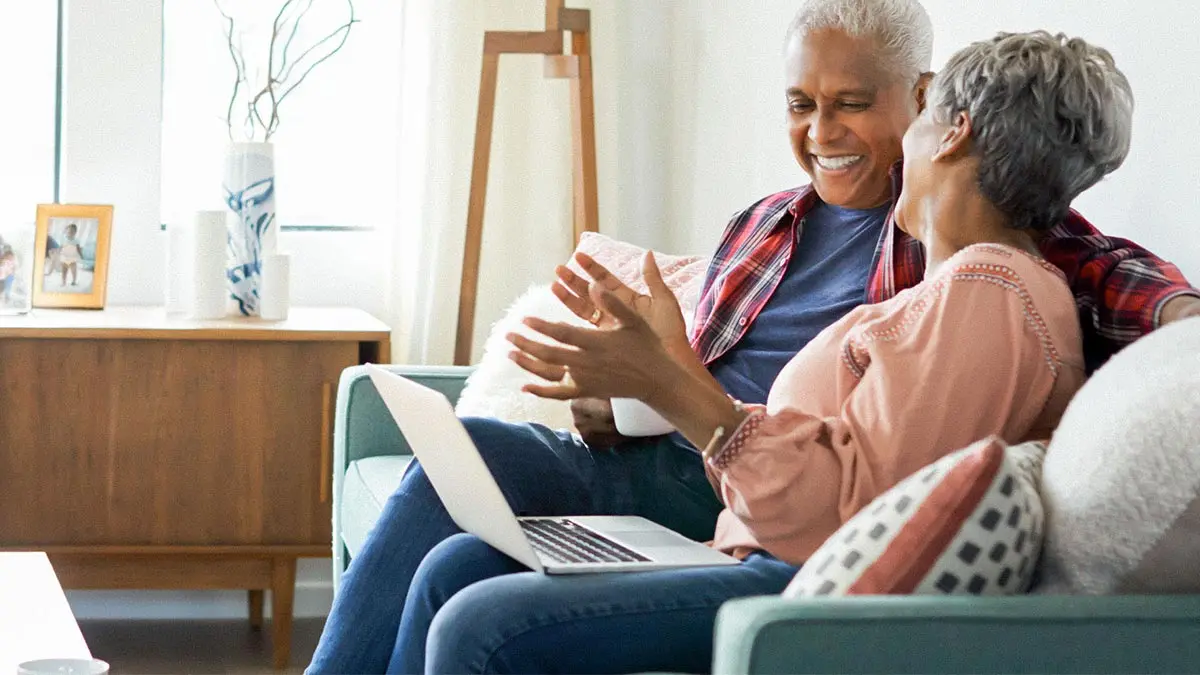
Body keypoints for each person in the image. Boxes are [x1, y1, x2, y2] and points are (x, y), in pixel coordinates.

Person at [307, 1, 1199, 672]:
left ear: (941, 117)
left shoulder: (986, 280)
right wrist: (628, 383)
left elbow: (1083, 256)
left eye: (854, 103)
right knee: (457, 517)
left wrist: (1178, 319)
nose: (822, 131)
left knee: (475, 615)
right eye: (800, 104)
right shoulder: (775, 225)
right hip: (714, 477)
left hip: (757, 511)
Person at [59, 223, 83, 287]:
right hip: (65, 257)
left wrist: (81, 254)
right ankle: (63, 282)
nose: (70, 233)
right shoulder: (63, 239)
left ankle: (74, 281)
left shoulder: (76, 240)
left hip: (72, 258)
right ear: (66, 232)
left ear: (75, 232)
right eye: (69, 231)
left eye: (72, 231)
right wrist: (58, 253)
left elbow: (78, 248)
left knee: (74, 270)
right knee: (64, 271)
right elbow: (60, 247)